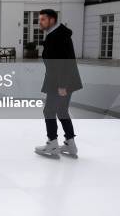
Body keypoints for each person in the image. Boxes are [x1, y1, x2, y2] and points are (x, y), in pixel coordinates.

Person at [34, 9, 82, 159]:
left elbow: (63, 62)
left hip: (60, 81)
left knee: (49, 111)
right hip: (64, 80)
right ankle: (70, 144)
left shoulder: (57, 37)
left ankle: (52, 144)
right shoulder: (58, 35)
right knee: (61, 111)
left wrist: (62, 85)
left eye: (43, 19)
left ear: (52, 20)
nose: (39, 22)